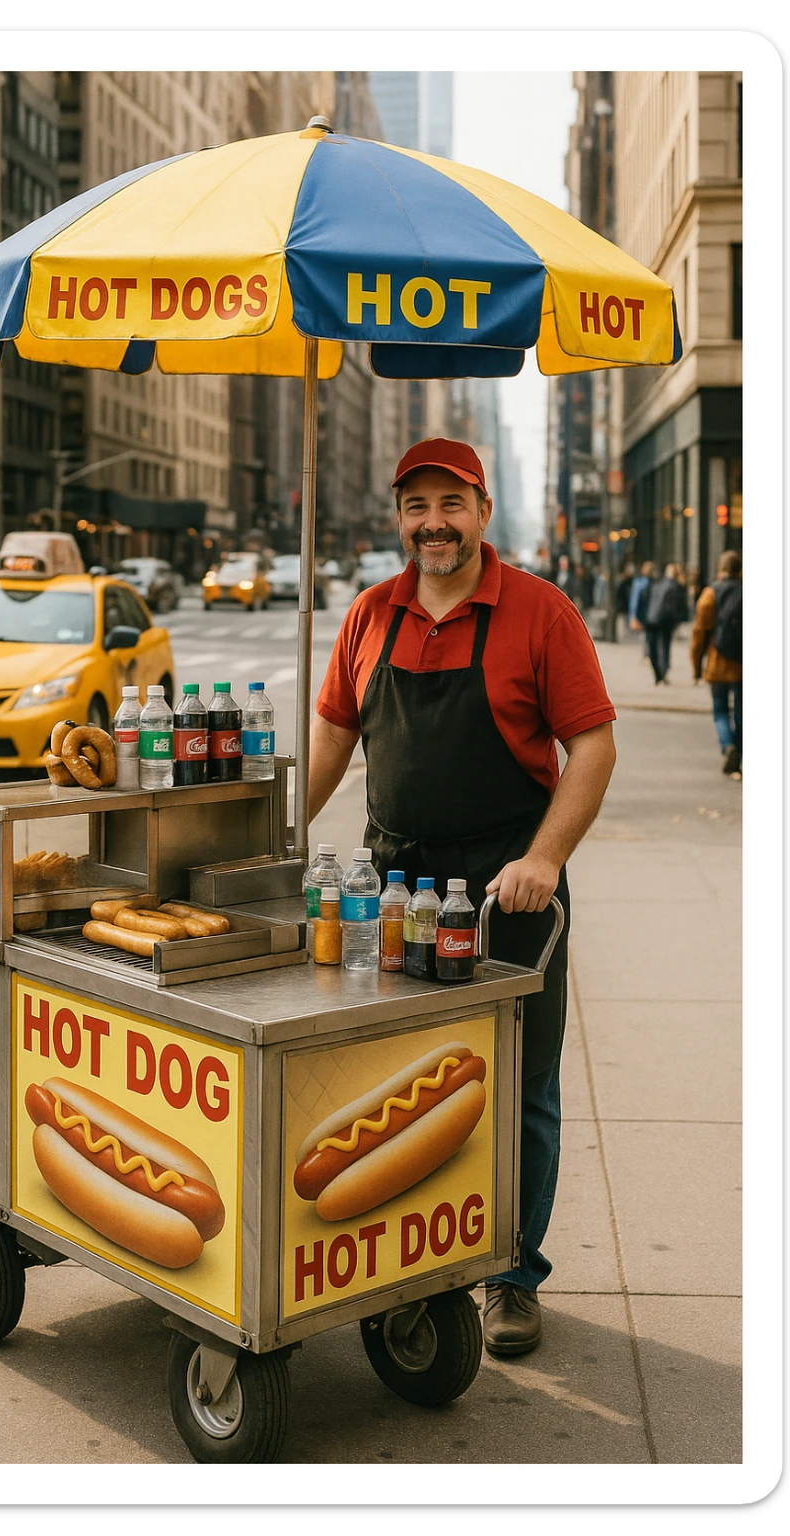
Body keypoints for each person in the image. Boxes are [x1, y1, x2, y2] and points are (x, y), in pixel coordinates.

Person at [308, 438, 617, 1357]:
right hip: (392, 894)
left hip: (505, 895)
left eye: (450, 504)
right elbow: (333, 735)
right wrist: (283, 835)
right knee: (391, 1086)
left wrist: (546, 859)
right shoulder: (370, 613)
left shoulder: (538, 610)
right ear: (398, 518)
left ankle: (513, 1276)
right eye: (416, 507)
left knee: (517, 1088)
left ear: (482, 511)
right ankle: (405, 1256)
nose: (432, 523)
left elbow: (592, 748)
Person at [691, 549, 743, 777]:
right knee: (743, 712)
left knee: (721, 710)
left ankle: (728, 745)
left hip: (718, 662)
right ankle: (739, 753)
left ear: (720, 568)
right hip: (742, 664)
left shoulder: (710, 595)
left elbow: (699, 634)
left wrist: (696, 667)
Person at [643, 561, 688, 684]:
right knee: (664, 646)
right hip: (664, 621)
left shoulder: (657, 584)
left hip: (652, 619)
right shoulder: (675, 587)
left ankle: (658, 673)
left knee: (653, 647)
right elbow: (676, 607)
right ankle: (662, 672)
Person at [628, 560, 656, 660]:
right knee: (646, 636)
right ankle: (647, 654)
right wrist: (633, 615)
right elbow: (635, 600)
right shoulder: (642, 583)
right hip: (644, 613)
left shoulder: (644, 582)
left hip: (647, 613)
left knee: (647, 636)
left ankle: (647, 654)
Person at [614, 563, 635, 641]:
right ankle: (623, 637)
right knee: (623, 622)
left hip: (628, 605)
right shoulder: (622, 582)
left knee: (627, 622)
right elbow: (618, 594)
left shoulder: (632, 582)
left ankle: (627, 637)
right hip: (623, 605)